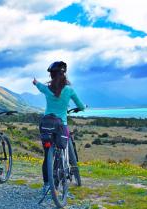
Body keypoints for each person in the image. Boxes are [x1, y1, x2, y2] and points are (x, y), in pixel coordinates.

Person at [33, 61, 85, 194]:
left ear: (51, 75)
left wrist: (35, 82)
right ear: (64, 74)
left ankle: (46, 185)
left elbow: (38, 86)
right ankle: (64, 171)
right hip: (61, 125)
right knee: (65, 144)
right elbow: (80, 105)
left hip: (46, 124)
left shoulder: (46, 89)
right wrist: (81, 108)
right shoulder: (69, 90)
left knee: (47, 156)